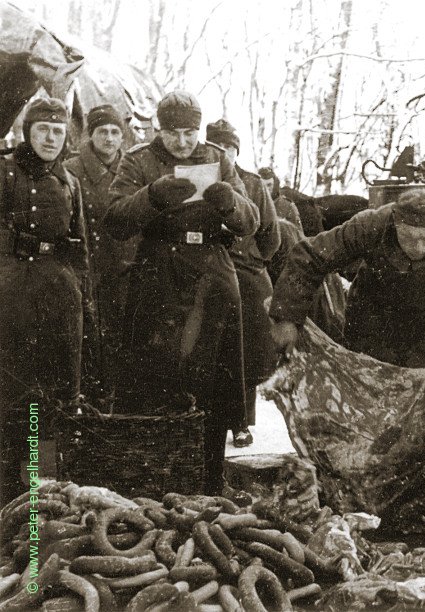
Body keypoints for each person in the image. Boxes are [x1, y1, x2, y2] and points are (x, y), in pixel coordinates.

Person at [105, 91, 259, 495]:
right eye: (173, 133)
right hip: (159, 278)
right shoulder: (138, 159)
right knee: (156, 379)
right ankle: (154, 483)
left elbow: (251, 223)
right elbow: (115, 221)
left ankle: (209, 480)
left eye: (190, 132)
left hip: (212, 277)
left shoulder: (218, 158)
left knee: (213, 382)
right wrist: (152, 195)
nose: (183, 142)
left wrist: (231, 204)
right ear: (158, 127)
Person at [269, 187, 425, 394]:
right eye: (408, 237)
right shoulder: (370, 224)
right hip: (376, 322)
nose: (417, 247)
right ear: (395, 224)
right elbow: (309, 255)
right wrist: (286, 317)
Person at [0, 98, 90, 504]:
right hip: (12, 292)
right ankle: (8, 493)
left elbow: (80, 246)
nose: (50, 139)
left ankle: (43, 490)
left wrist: (82, 297)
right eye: (42, 131)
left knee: (53, 394)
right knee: (12, 388)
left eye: (57, 131)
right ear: (27, 132)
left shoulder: (69, 180)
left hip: (58, 295)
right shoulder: (4, 172)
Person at [205, 119, 280, 448]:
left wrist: (250, 260)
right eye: (218, 148)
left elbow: (271, 236)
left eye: (230, 148)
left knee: (243, 353)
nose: (226, 155)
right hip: (210, 271)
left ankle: (240, 423)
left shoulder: (252, 184)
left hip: (246, 274)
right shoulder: (198, 179)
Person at [64, 104, 135, 401]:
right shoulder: (71, 169)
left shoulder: (133, 168)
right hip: (87, 267)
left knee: (124, 340)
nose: (109, 138)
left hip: (126, 268)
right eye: (102, 131)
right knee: (88, 340)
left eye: (115, 132)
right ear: (90, 135)